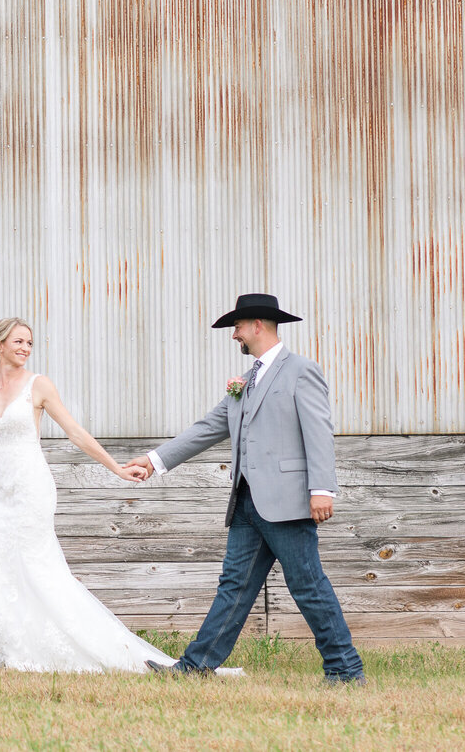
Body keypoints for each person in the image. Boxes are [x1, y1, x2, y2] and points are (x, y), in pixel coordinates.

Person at [0, 317, 224, 672]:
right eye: (18, 342)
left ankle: (68, 650)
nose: (25, 348)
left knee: (38, 570)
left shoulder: (39, 386)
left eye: (29, 343)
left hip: (32, 488)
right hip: (3, 492)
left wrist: (116, 468)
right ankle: (16, 650)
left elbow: (75, 432)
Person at [129, 293, 365, 685]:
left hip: (288, 502)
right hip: (246, 502)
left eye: (237, 326)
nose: (233, 334)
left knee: (308, 586)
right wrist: (154, 461)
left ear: (258, 326)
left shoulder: (301, 371)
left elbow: (319, 432)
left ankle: (345, 670)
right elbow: (208, 428)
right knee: (234, 586)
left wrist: (322, 488)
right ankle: (196, 667)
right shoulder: (245, 381)